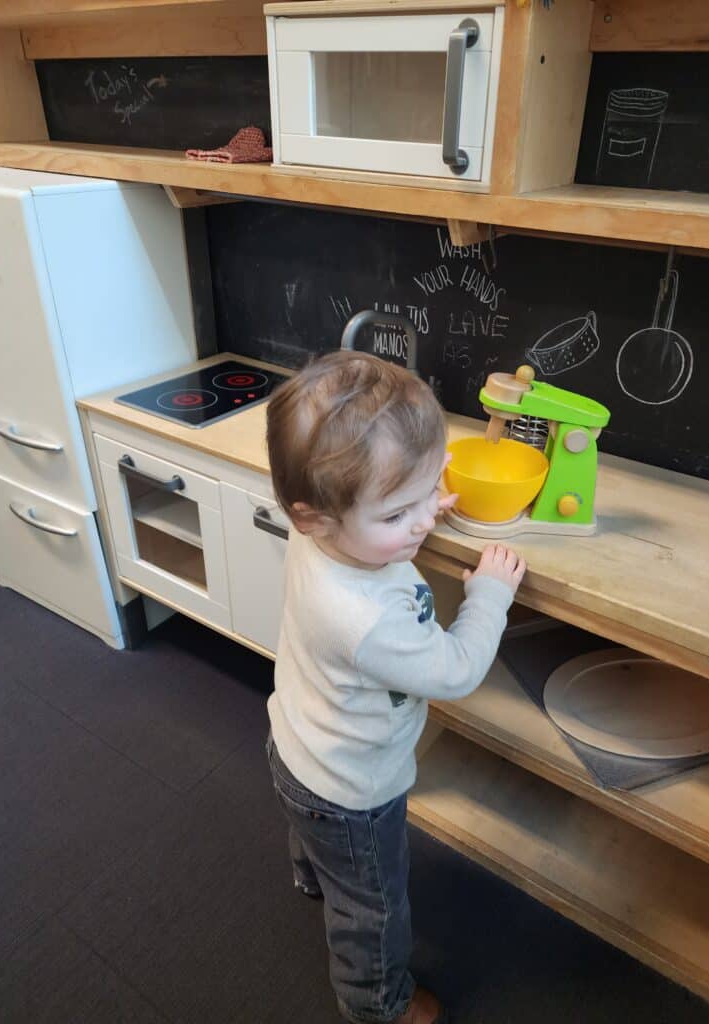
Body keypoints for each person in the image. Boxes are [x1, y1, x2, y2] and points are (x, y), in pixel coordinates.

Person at [265, 350, 526, 1024]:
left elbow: (387, 496)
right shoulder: (365, 616)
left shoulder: (321, 530)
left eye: (424, 495)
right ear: (314, 517)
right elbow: (457, 670)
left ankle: (309, 877)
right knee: (373, 908)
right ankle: (379, 1004)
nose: (421, 523)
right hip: (353, 792)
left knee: (314, 842)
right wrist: (490, 597)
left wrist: (409, 497)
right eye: (396, 514)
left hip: (297, 743)